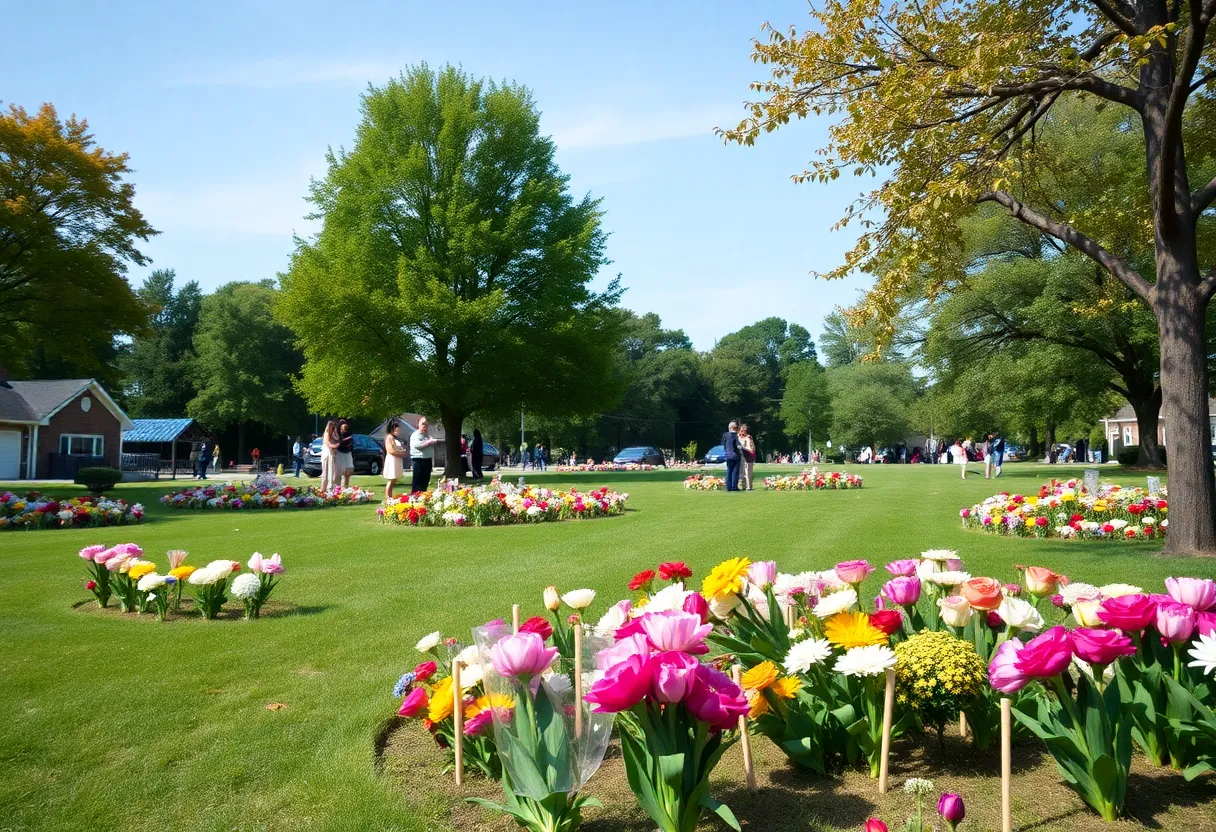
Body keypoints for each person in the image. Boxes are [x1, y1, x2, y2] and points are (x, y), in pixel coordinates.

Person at [409, 415, 439, 493]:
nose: (425, 426)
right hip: (419, 460)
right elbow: (418, 446)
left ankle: (423, 496)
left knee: (425, 480)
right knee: (417, 481)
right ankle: (415, 496)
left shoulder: (427, 435)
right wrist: (429, 442)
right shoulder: (415, 435)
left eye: (426, 424)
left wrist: (428, 436)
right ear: (418, 424)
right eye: (423, 424)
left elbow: (433, 441)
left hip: (427, 460)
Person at [382, 418, 408, 501]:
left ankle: (390, 496)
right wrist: (401, 454)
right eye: (396, 430)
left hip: (396, 460)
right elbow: (390, 451)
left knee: (394, 480)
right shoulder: (389, 437)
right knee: (391, 479)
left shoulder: (394, 438)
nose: (397, 432)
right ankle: (387, 497)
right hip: (392, 460)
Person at [722, 421, 742, 492]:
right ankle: (734, 487)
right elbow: (738, 445)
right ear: (735, 428)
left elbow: (723, 444)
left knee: (729, 471)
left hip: (728, 455)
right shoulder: (736, 435)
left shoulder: (725, 435)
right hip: (735, 455)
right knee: (735, 472)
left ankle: (728, 487)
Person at [320, 420, 339, 490]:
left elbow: (338, 439)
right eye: (331, 427)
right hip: (327, 454)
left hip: (332, 454)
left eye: (333, 427)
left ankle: (332, 487)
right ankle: (324, 488)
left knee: (333, 471)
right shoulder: (326, 434)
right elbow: (328, 444)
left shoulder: (334, 434)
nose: (332, 428)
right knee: (326, 472)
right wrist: (337, 445)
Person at [336, 419, 355, 487]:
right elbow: (339, 443)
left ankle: (346, 486)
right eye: (344, 428)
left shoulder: (349, 434)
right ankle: (338, 487)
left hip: (347, 453)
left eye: (346, 428)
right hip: (340, 453)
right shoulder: (338, 434)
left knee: (348, 472)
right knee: (340, 472)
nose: (345, 429)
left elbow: (351, 444)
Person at [738, 423, 756, 490]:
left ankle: (749, 486)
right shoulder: (738, 437)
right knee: (742, 471)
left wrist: (747, 448)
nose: (741, 432)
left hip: (749, 454)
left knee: (748, 471)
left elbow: (752, 448)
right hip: (743, 454)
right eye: (741, 430)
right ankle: (744, 485)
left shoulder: (749, 437)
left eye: (743, 431)